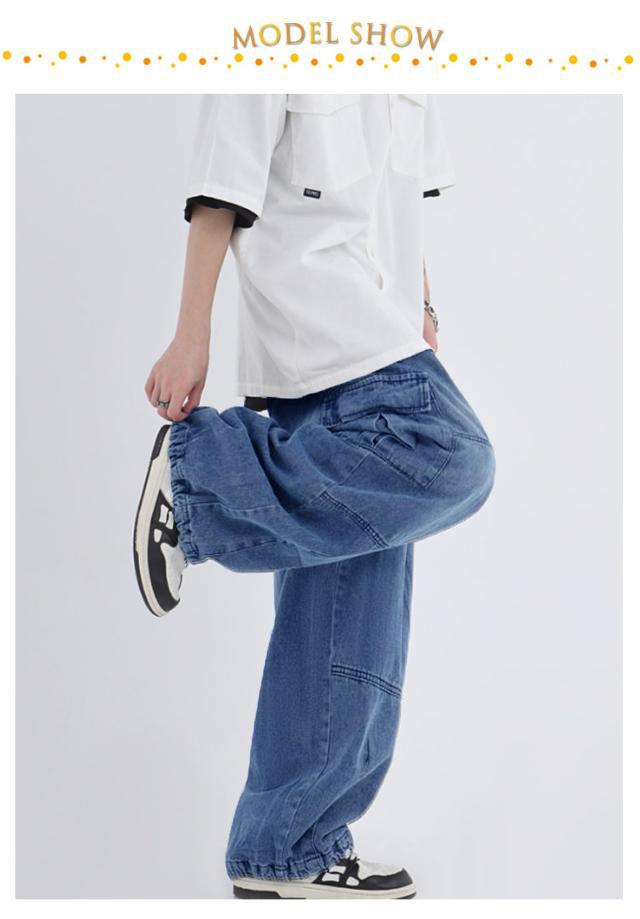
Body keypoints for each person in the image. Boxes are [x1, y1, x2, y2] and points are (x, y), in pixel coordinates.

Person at [133, 93, 495, 899]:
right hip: (322, 324)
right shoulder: (267, 34)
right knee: (457, 454)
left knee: (351, 622)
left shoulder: (406, 47)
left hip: (385, 330)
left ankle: (284, 846)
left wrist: (422, 304)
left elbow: (401, 198)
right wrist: (191, 333)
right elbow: (222, 181)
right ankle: (200, 477)